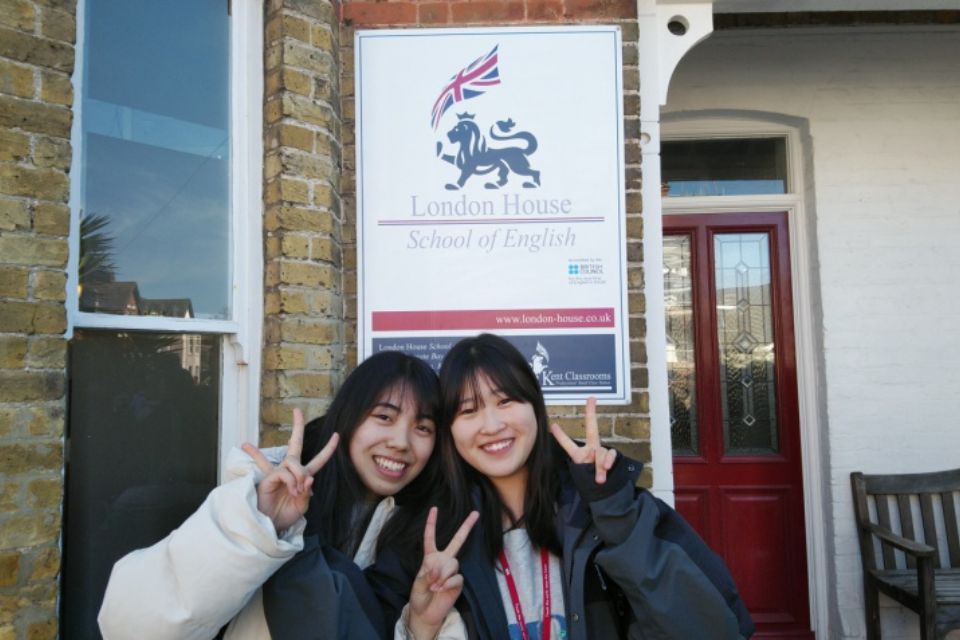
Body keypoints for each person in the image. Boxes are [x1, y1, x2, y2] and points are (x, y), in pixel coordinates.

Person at [370, 333, 755, 640]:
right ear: (450, 431)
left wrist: (616, 517)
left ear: (534, 407)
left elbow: (713, 629)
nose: (492, 425)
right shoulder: (427, 539)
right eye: (469, 410)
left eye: (505, 401)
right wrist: (420, 625)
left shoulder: (608, 511)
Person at [99, 350, 448, 639]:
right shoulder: (262, 492)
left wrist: (418, 629)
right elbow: (132, 627)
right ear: (348, 418)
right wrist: (260, 525)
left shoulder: (431, 534)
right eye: (384, 417)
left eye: (423, 427)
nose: (401, 442)